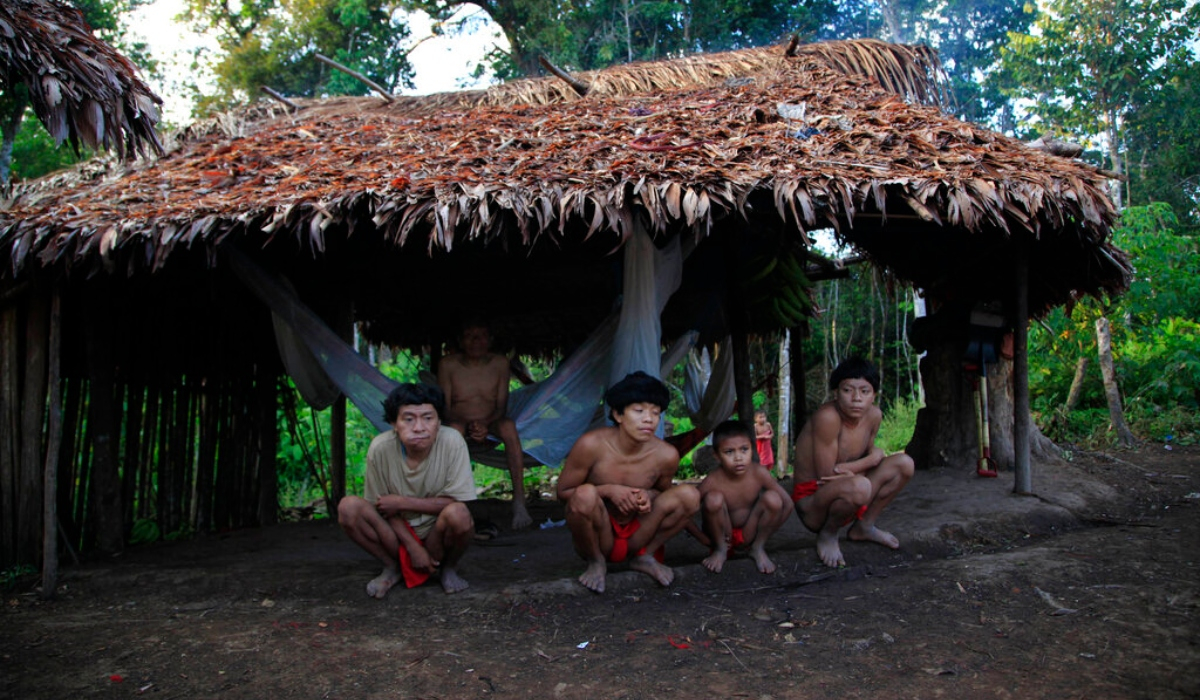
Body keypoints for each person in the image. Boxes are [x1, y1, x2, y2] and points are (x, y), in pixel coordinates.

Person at [557, 371, 701, 593]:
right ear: (618, 414)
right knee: (584, 494)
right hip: (599, 533)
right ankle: (596, 562)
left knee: (689, 495)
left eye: (655, 412)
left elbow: (666, 496)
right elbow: (564, 492)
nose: (648, 419)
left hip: (639, 534)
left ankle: (646, 557)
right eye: (639, 410)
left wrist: (649, 496)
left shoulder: (666, 455)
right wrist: (609, 491)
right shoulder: (591, 445)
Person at [338, 383, 477, 596]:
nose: (419, 427)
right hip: (395, 533)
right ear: (394, 423)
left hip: (436, 534)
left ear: (439, 422)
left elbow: (457, 502)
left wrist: (401, 502)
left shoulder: (452, 442)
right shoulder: (381, 448)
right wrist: (413, 547)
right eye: (409, 419)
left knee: (459, 514)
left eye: (428, 418)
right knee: (348, 507)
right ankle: (392, 567)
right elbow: (383, 507)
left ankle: (448, 568)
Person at [791, 357, 914, 568]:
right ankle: (829, 533)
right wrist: (872, 459)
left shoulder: (874, 415)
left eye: (864, 391)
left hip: (852, 488)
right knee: (860, 485)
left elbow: (864, 460)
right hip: (815, 503)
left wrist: (856, 466)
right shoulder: (828, 417)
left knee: (904, 464)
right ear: (836, 392)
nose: (856, 398)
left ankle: (864, 527)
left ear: (874, 395)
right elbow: (827, 475)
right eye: (848, 390)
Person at [438, 319, 532, 530]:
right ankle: (451, 499)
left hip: (492, 421)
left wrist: (485, 424)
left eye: (481, 336)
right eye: (470, 336)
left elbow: (501, 407)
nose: (475, 341)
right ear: (461, 341)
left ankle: (519, 501)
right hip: (458, 422)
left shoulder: (499, 363)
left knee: (508, 426)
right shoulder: (448, 365)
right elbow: (444, 406)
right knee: (453, 431)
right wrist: (468, 425)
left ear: (489, 341)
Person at [698, 420, 793, 574]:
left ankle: (758, 548)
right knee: (713, 499)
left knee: (773, 498)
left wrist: (768, 533)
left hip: (749, 532)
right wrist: (702, 538)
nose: (738, 458)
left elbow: (788, 504)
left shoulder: (759, 473)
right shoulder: (712, 480)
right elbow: (685, 509)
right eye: (729, 452)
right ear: (716, 456)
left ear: (752, 448)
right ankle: (721, 550)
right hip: (722, 535)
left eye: (744, 449)